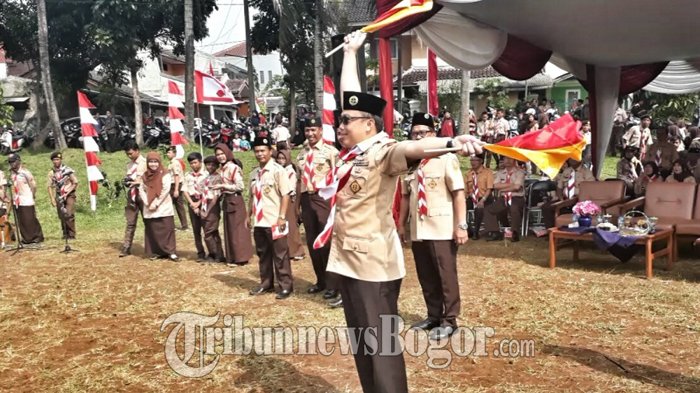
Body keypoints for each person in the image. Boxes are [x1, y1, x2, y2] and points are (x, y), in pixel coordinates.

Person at [328, 31, 483, 393]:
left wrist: (450, 142)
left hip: (373, 267)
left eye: (347, 121)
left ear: (369, 124)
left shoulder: (383, 151)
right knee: (362, 346)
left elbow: (413, 148)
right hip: (348, 261)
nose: (340, 125)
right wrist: (351, 53)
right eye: (341, 120)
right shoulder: (352, 155)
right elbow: (349, 98)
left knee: (380, 348)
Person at [397, 112, 468, 341]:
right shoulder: (410, 164)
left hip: (442, 226)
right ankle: (433, 315)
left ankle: (450, 320)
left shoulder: (446, 158)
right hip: (419, 227)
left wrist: (461, 225)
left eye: (423, 132)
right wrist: (401, 225)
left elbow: (458, 193)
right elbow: (405, 197)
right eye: (415, 133)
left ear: (433, 134)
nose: (418, 137)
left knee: (445, 274)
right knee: (426, 274)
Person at [295, 117, 341, 301]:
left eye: (314, 130)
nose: (310, 134)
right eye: (307, 130)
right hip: (307, 199)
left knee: (327, 242)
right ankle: (320, 280)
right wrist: (297, 205)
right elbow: (299, 181)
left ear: (321, 131)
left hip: (324, 199)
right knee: (313, 241)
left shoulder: (331, 152)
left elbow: (339, 177)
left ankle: (333, 284)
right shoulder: (301, 153)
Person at [248, 136, 294, 300]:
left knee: (280, 254)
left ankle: (285, 286)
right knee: (263, 253)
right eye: (257, 151)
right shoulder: (255, 173)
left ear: (270, 151)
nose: (260, 154)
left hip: (274, 220)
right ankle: (266, 283)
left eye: (263, 151)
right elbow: (252, 197)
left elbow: (286, 194)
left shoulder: (277, 171)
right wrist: (249, 215)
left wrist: (282, 217)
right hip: (259, 221)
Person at [212, 143, 253, 266]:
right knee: (230, 230)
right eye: (218, 154)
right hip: (227, 200)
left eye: (222, 154)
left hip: (235, 200)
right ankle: (233, 257)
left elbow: (240, 186)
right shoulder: (222, 169)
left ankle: (241, 257)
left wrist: (223, 186)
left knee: (238, 230)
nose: (220, 157)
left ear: (227, 153)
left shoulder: (233, 168)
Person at [139, 152, 178, 261]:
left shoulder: (165, 173)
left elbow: (166, 189)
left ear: (159, 162)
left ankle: (171, 251)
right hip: (149, 205)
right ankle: (156, 251)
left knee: (167, 228)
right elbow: (141, 190)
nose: (153, 164)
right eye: (151, 162)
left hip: (163, 205)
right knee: (153, 229)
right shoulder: (144, 175)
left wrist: (156, 203)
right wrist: (147, 203)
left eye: (155, 162)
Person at [542, 159, 596, 228]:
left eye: (574, 158)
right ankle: (552, 231)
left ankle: (572, 231)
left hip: (578, 199)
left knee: (574, 210)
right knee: (546, 207)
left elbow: (590, 188)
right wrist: (560, 198)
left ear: (580, 159)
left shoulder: (586, 172)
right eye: (570, 158)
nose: (572, 160)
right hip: (564, 199)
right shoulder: (567, 171)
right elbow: (559, 187)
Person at [483, 157, 525, 242]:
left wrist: (502, 189)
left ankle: (515, 232)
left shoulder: (520, 172)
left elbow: (517, 187)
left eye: (510, 159)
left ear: (515, 160)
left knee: (514, 209)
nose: (508, 161)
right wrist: (511, 185)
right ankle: (495, 232)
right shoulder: (499, 173)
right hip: (503, 198)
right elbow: (496, 186)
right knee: (488, 210)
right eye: (506, 159)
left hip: (516, 197)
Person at [7, 153, 43, 245]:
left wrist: (32, 195)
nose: (12, 164)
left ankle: (37, 237)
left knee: (29, 219)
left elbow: (33, 185)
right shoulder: (11, 173)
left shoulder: (25, 172)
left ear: (18, 161)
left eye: (13, 161)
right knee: (21, 220)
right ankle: (26, 238)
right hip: (17, 200)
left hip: (26, 198)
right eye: (10, 162)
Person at [276, 149, 305, 260]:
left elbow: (291, 188)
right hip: (280, 200)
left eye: (283, 158)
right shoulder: (278, 170)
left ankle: (296, 250)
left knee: (291, 226)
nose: (281, 161)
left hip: (288, 200)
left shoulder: (290, 171)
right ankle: (284, 250)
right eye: (279, 158)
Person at [182, 152, 208, 261]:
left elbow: (209, 190)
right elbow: (185, 190)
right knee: (196, 229)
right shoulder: (188, 175)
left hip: (204, 201)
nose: (193, 165)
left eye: (195, 162)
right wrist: (192, 203)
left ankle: (213, 252)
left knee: (207, 228)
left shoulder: (207, 174)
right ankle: (200, 253)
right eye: (191, 163)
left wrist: (200, 203)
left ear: (201, 162)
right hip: (192, 202)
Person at [46, 152, 78, 239]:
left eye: (57, 159)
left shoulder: (67, 170)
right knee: (61, 214)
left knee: (68, 213)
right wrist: (52, 199)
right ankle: (65, 233)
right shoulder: (52, 173)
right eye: (54, 160)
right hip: (59, 194)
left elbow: (75, 182)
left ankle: (71, 234)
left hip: (69, 194)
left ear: (61, 160)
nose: (56, 161)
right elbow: (49, 186)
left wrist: (68, 191)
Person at [200, 156, 225, 262]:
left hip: (212, 206)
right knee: (212, 231)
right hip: (205, 203)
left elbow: (215, 197)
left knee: (209, 231)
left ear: (217, 166)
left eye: (213, 165)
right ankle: (216, 254)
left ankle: (215, 254)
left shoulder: (217, 178)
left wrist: (207, 211)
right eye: (208, 164)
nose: (210, 167)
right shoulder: (207, 177)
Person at [465, 153, 495, 239]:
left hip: (485, 197)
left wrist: (483, 200)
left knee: (479, 209)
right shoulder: (468, 173)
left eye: (475, 160)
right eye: (471, 160)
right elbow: (465, 190)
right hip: (472, 197)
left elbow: (489, 188)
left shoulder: (488, 172)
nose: (472, 162)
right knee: (461, 208)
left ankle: (476, 231)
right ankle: (468, 230)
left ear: (481, 161)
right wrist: (470, 194)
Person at [166, 146, 188, 231]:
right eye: (167, 152)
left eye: (169, 152)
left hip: (175, 184)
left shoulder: (175, 163)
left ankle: (184, 225)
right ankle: (179, 224)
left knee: (178, 205)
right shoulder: (171, 163)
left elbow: (176, 176)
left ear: (174, 154)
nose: (168, 154)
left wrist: (176, 189)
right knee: (176, 205)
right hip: (173, 184)